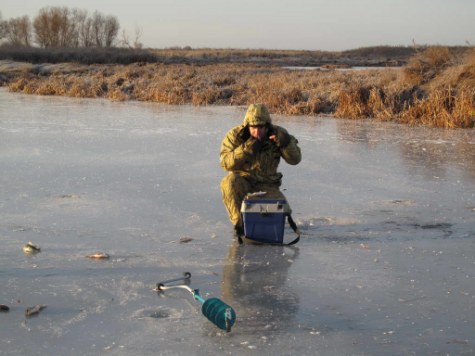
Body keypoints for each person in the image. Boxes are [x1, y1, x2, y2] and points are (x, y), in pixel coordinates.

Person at [220, 103, 302, 236]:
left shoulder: (278, 134)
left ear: (267, 125)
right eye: (253, 128)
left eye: (261, 127)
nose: (257, 132)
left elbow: (295, 160)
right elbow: (225, 163)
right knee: (229, 182)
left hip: (268, 184)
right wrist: (246, 149)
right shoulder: (235, 136)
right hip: (243, 181)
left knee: (280, 209)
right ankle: (239, 225)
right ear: (247, 125)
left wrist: (286, 144)